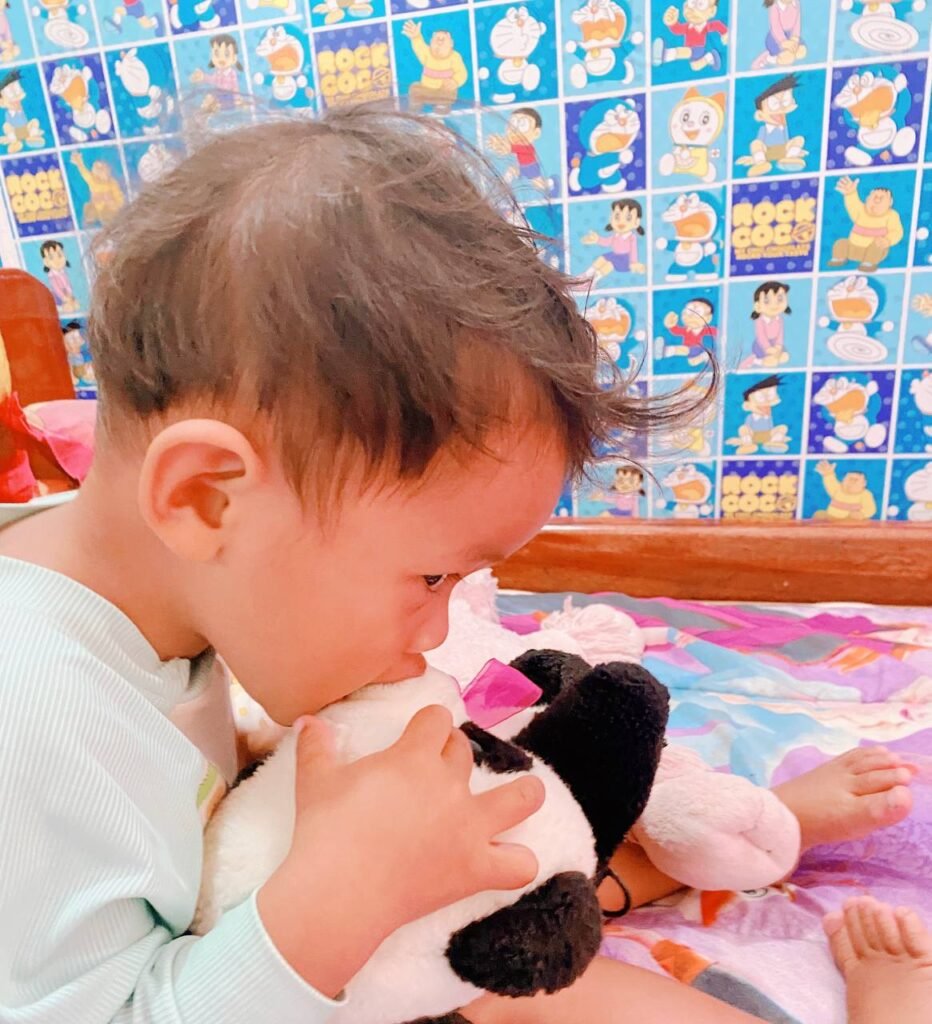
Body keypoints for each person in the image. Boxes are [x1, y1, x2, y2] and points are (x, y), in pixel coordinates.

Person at [0, 107, 928, 1024]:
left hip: (252, 941)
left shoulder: (152, 594)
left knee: (491, 899)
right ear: (208, 499)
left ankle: (703, 843)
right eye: (433, 577)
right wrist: (335, 901)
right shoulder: (32, 722)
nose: (441, 625)